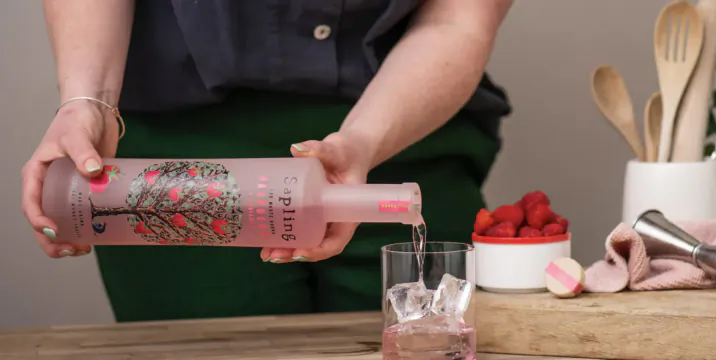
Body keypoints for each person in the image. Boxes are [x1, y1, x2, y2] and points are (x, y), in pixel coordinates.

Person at [22, 0, 513, 322]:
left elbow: (459, 16)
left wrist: (362, 141)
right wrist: (88, 101)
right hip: (177, 159)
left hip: (405, 127)